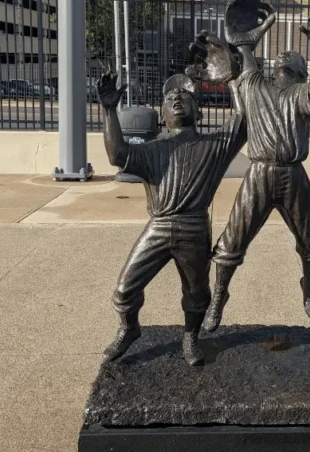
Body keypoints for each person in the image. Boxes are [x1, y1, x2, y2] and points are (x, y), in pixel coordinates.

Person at [98, 47, 245, 366]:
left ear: (200, 111)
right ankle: (129, 329)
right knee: (124, 290)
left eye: (185, 96)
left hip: (194, 227)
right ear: (162, 116)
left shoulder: (214, 145)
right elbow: (116, 155)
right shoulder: (152, 151)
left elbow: (243, 118)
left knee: (197, 294)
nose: (177, 99)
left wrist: (230, 78)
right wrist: (109, 111)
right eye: (169, 98)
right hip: (160, 226)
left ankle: (191, 337)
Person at [201, 0, 310, 333]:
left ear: (300, 71)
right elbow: (244, 51)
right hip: (258, 173)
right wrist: (246, 37)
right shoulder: (255, 85)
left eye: (290, 61)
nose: (282, 58)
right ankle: (218, 297)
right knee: (233, 241)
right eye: (279, 60)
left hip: (291, 175)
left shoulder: (301, 92)